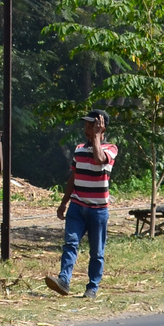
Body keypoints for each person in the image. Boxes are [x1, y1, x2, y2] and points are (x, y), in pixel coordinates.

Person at [46, 110, 118, 299]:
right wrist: (63, 203)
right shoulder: (79, 149)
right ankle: (64, 280)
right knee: (70, 243)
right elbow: (73, 177)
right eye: (86, 124)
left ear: (102, 127)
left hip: (98, 210)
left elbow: (99, 159)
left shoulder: (111, 149)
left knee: (97, 252)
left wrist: (96, 137)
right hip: (77, 207)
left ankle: (92, 287)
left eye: (92, 125)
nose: (87, 128)